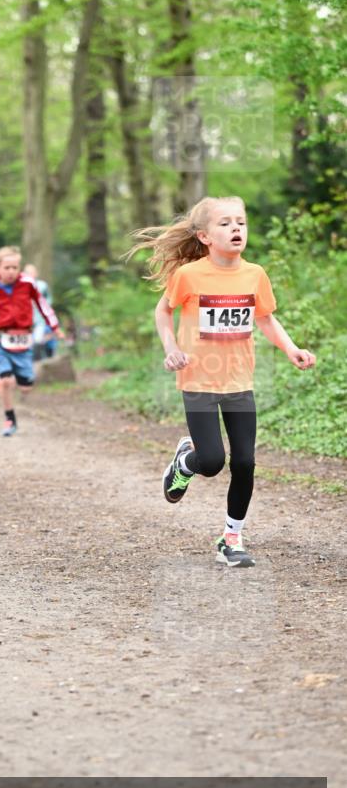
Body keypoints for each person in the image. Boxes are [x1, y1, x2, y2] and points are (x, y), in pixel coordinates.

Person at [127, 195, 316, 568]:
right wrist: (170, 347)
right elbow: (163, 312)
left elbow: (264, 318)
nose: (236, 229)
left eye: (241, 223)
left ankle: (231, 538)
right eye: (226, 223)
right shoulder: (189, 276)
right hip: (197, 378)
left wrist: (291, 348)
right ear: (204, 236)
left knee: (244, 461)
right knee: (212, 461)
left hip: (238, 380)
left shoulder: (254, 274)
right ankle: (186, 462)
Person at [0, 246, 62, 436]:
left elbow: (43, 305)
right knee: (7, 380)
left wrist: (55, 327)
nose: (11, 272)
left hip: (24, 339)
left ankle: (11, 379)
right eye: (7, 268)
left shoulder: (28, 284)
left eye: (15, 267)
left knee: (26, 386)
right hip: (1, 339)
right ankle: (10, 418)